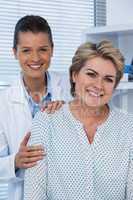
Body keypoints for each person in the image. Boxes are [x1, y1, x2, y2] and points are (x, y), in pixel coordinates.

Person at [24, 40, 133, 200]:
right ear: (74, 75)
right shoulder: (46, 121)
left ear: (114, 86)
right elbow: (34, 194)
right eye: (91, 74)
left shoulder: (129, 127)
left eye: (108, 79)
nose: (99, 85)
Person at [0, 15, 70, 200]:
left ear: (52, 50)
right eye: (26, 50)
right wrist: (15, 161)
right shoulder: (3, 103)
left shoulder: (73, 89)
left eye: (42, 49)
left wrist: (72, 115)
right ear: (14, 52)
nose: (35, 58)